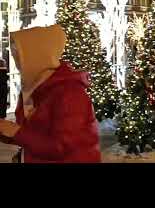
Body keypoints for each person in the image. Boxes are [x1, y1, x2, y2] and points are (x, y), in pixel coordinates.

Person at [0, 24, 101, 163]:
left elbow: (62, 147)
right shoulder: (34, 88)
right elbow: (33, 136)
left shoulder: (69, 93)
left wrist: (16, 131)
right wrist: (6, 132)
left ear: (36, 56)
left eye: (20, 57)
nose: (17, 64)